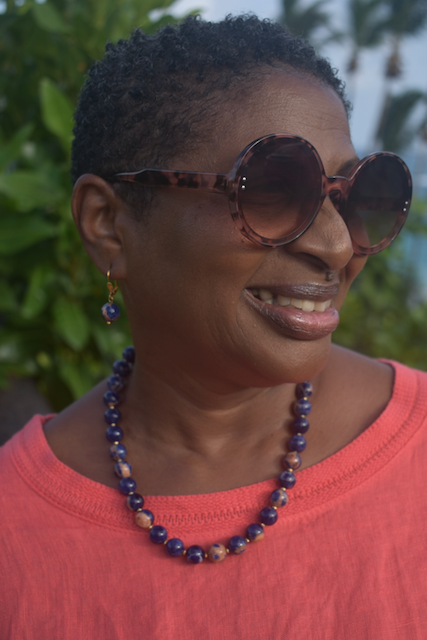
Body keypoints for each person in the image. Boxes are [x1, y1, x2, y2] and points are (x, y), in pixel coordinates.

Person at [1, 14, 426, 639]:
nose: (338, 246)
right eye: (273, 188)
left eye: (353, 194)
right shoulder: (16, 533)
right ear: (108, 225)